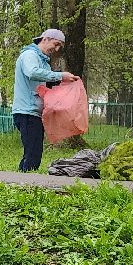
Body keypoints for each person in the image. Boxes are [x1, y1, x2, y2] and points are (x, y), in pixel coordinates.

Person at [11, 28, 79, 172]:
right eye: (56, 44)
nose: (57, 49)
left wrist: (66, 82)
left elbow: (45, 83)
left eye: (60, 46)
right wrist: (60, 75)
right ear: (45, 39)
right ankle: (24, 182)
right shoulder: (30, 55)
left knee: (34, 152)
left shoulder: (43, 61)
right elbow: (32, 72)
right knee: (32, 153)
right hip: (26, 111)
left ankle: (23, 178)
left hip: (35, 112)